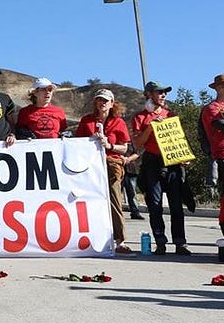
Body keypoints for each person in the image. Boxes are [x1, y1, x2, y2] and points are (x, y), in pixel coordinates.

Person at [131, 81, 191, 256]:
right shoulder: (140, 117)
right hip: (153, 162)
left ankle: (180, 243)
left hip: (172, 162)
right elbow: (137, 143)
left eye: (165, 92)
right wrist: (150, 128)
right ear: (149, 94)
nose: (163, 95)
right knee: (155, 205)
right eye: (159, 92)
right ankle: (160, 242)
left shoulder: (171, 114)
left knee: (176, 205)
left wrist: (184, 157)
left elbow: (179, 140)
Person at [76, 89, 134, 255]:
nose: (102, 103)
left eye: (106, 101)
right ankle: (91, 237)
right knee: (89, 201)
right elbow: (77, 141)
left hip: (111, 165)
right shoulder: (86, 120)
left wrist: (109, 145)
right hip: (90, 166)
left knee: (114, 201)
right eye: (99, 100)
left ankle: (120, 240)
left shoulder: (118, 122)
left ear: (112, 103)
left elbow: (125, 148)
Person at [122, 147, 145, 220]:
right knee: (117, 192)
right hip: (118, 167)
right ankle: (117, 212)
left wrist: (129, 159)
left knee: (132, 192)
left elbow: (138, 152)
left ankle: (135, 212)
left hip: (131, 169)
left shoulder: (134, 138)